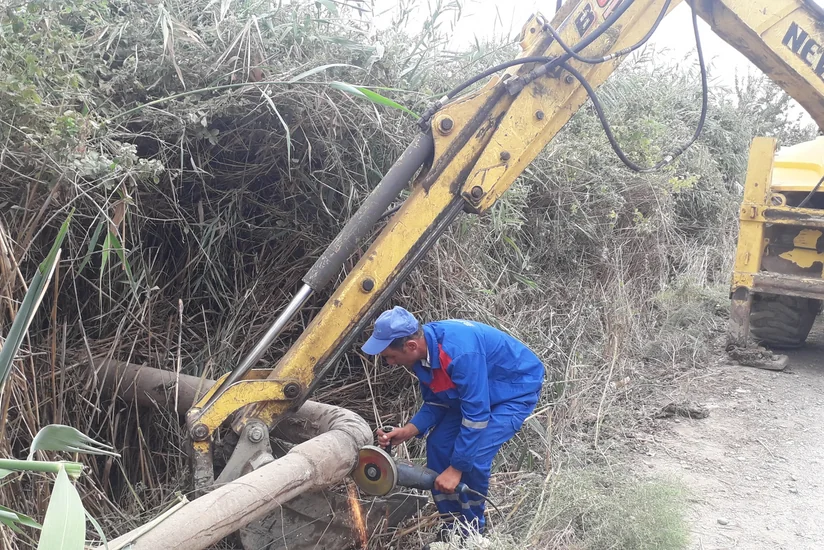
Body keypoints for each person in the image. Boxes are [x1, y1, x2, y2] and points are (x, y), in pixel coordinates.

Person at [361, 306, 544, 541]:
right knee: (438, 444)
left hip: (513, 390)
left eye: (390, 356)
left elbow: (476, 416)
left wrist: (456, 469)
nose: (389, 363)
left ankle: (472, 532)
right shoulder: (424, 356)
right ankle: (452, 526)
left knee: (474, 459)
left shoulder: (458, 353)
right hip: (475, 394)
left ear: (411, 346)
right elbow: (437, 401)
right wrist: (409, 430)